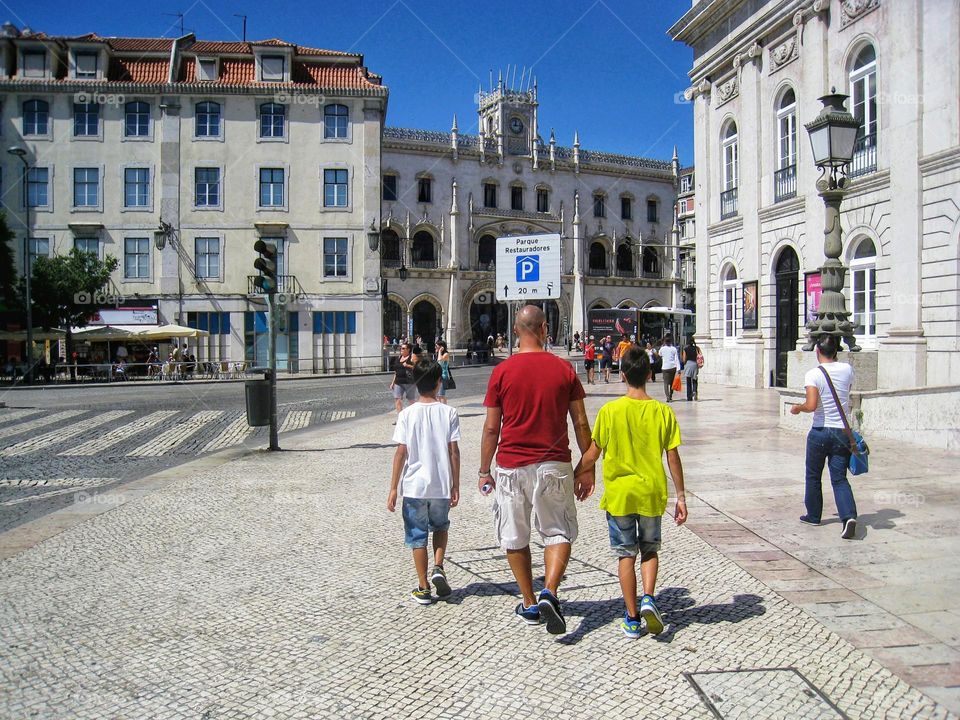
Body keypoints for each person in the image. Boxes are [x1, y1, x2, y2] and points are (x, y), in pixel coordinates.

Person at [480, 305, 595, 635]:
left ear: (516, 331)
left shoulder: (502, 372)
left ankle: (530, 602)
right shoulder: (564, 369)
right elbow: (581, 421)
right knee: (557, 531)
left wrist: (484, 470)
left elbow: (491, 429)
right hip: (555, 463)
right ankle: (551, 591)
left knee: (514, 535)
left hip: (512, 466)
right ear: (545, 328)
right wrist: (586, 467)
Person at [574, 347, 686, 637]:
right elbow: (673, 456)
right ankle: (648, 597)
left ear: (622, 375)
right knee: (649, 549)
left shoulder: (610, 412)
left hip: (620, 496)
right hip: (651, 493)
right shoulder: (663, 411)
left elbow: (593, 453)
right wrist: (681, 497)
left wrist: (576, 473)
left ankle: (633, 618)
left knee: (626, 554)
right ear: (650, 375)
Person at [388, 359, 461, 604]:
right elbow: (454, 452)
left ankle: (423, 586)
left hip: (414, 487)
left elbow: (401, 452)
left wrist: (393, 489)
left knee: (418, 535)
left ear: (415, 384)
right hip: (440, 484)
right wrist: (455, 484)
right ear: (439, 382)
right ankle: (439, 566)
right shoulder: (449, 412)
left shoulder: (407, 415)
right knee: (440, 526)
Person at [790, 336, 859, 540]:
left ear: (818, 352)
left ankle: (813, 515)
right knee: (839, 478)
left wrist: (798, 408)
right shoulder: (847, 369)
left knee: (813, 476)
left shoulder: (813, 374)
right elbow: (845, 392)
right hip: (841, 432)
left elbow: (811, 405)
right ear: (836, 352)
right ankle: (849, 517)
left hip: (820, 431)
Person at [389, 343, 419, 415]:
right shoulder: (399, 357)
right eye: (401, 348)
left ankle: (414, 416)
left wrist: (408, 365)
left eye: (403, 348)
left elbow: (418, 368)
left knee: (411, 399)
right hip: (398, 382)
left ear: (408, 349)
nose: (401, 349)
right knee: (397, 399)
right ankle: (400, 418)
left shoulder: (412, 356)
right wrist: (393, 383)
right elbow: (396, 372)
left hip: (409, 382)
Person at [659, 336, 680, 402]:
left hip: (665, 367)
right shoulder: (674, 349)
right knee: (671, 383)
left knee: (665, 383)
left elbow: (660, 354)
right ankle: (670, 395)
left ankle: (667, 397)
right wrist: (678, 368)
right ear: (671, 342)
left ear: (665, 342)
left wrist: (662, 346)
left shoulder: (662, 348)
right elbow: (676, 359)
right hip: (672, 367)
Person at [681, 336, 701, 401]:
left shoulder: (685, 349)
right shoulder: (697, 348)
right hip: (695, 364)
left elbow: (684, 360)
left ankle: (689, 397)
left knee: (688, 381)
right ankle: (695, 391)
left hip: (688, 364)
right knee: (695, 379)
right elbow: (700, 357)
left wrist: (684, 363)